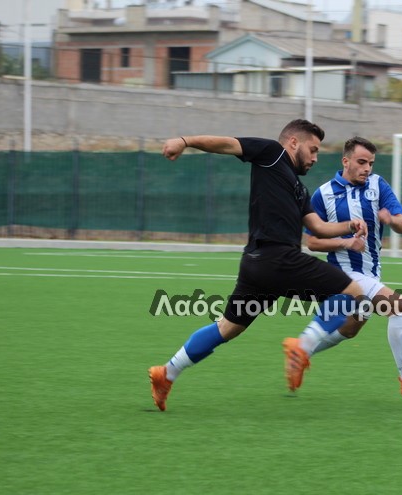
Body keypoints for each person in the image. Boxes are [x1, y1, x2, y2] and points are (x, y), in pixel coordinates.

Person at [148, 119, 371, 411]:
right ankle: (303, 346)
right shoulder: (271, 153)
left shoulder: (299, 189)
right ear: (293, 142)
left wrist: (349, 225)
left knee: (227, 328)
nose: (316, 158)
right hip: (280, 258)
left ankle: (167, 373)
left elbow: (318, 226)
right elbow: (227, 144)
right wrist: (185, 141)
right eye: (313, 149)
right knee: (354, 294)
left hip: (256, 265)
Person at [283, 136, 402, 397]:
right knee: (398, 306)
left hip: (370, 274)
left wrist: (390, 219)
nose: (367, 168)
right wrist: (346, 242)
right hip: (345, 273)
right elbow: (312, 242)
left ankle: (301, 350)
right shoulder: (323, 194)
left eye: (370, 163)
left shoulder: (378, 185)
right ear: (345, 161)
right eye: (361, 162)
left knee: (350, 329)